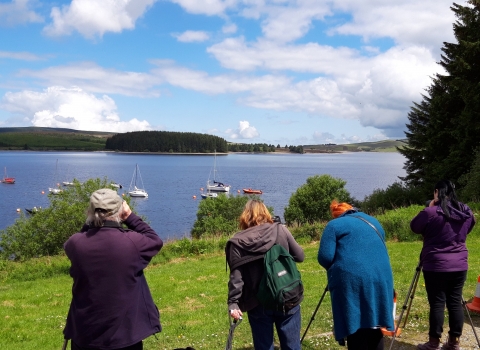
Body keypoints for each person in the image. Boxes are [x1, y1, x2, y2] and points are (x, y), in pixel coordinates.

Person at [63, 188, 163, 350]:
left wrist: (90, 221)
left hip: (85, 332)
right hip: (124, 334)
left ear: (90, 211)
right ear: (121, 210)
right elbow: (155, 240)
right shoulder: (132, 243)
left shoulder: (76, 244)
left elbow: (73, 241)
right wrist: (130, 217)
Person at [226, 199, 305, 350]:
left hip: (258, 302)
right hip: (287, 295)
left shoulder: (237, 242)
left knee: (263, 346)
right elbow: (300, 256)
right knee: (292, 346)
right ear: (266, 213)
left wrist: (233, 302)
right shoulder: (280, 230)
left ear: (244, 217)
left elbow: (236, 278)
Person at [318, 200, 394, 350]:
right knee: (375, 323)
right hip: (382, 276)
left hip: (353, 280)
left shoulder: (334, 225)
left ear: (336, 215)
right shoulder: (373, 221)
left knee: (355, 323)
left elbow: (325, 257)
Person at [411, 180, 475, 350]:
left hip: (435, 264)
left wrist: (430, 207)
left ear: (436, 192)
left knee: (437, 303)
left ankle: (433, 343)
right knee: (455, 302)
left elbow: (414, 227)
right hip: (460, 263)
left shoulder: (430, 212)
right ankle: (454, 342)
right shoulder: (465, 211)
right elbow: (470, 226)